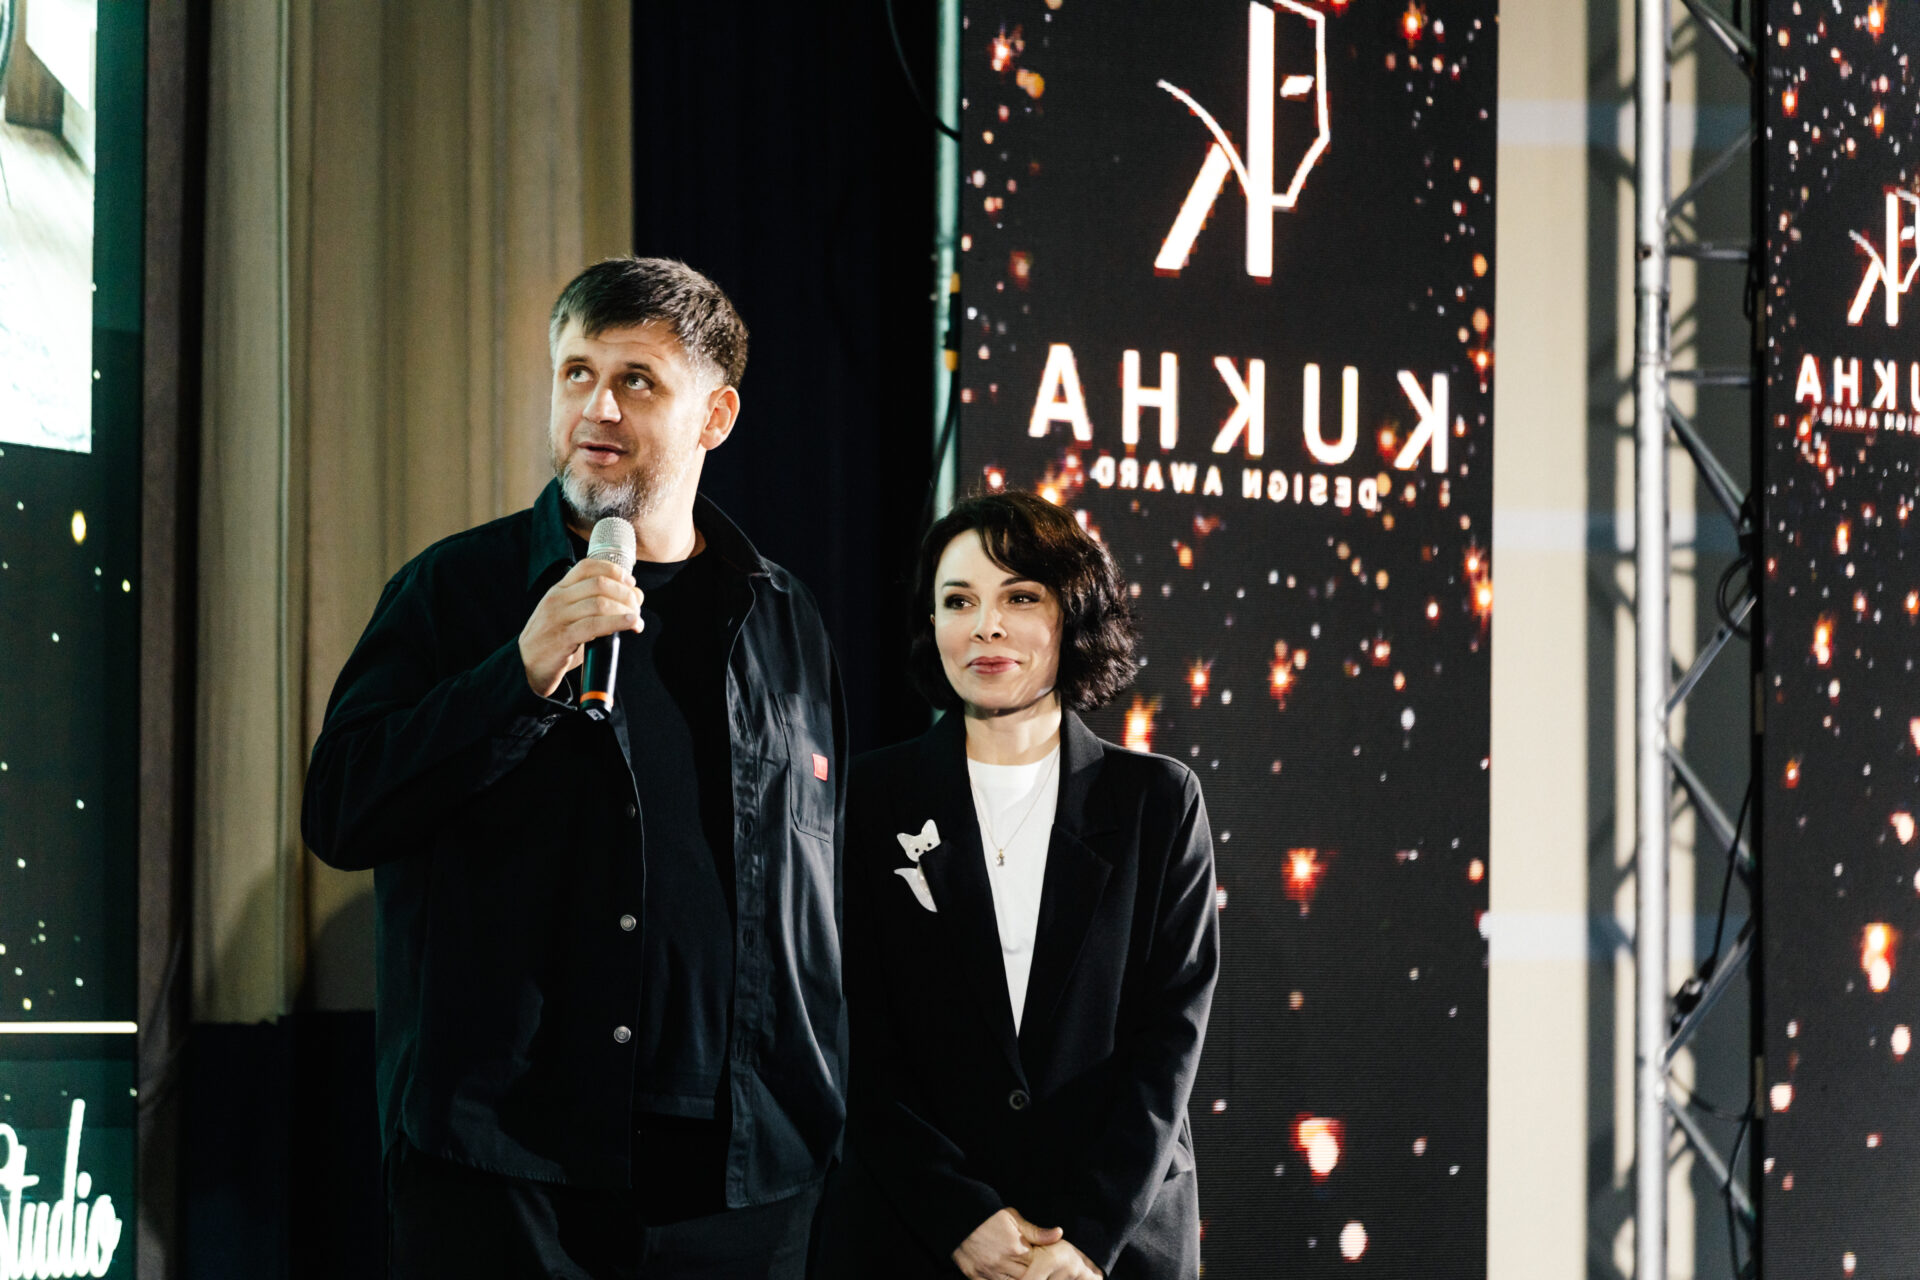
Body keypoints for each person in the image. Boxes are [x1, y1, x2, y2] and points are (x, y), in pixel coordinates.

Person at [301, 257, 846, 1279]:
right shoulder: (455, 590)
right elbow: (342, 810)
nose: (597, 406)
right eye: (576, 373)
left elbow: (814, 896)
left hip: (739, 1179)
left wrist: (815, 1108)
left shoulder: (783, 619)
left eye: (637, 380)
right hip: (506, 1165)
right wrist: (515, 674)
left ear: (715, 416)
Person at [818, 492, 1219, 1279]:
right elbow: (848, 1037)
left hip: (1112, 1244)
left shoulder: (1158, 802)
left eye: (1020, 598)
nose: (986, 626)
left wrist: (1085, 1239)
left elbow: (1169, 1040)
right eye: (958, 601)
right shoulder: (867, 801)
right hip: (918, 1238)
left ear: (1075, 615)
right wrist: (959, 1216)